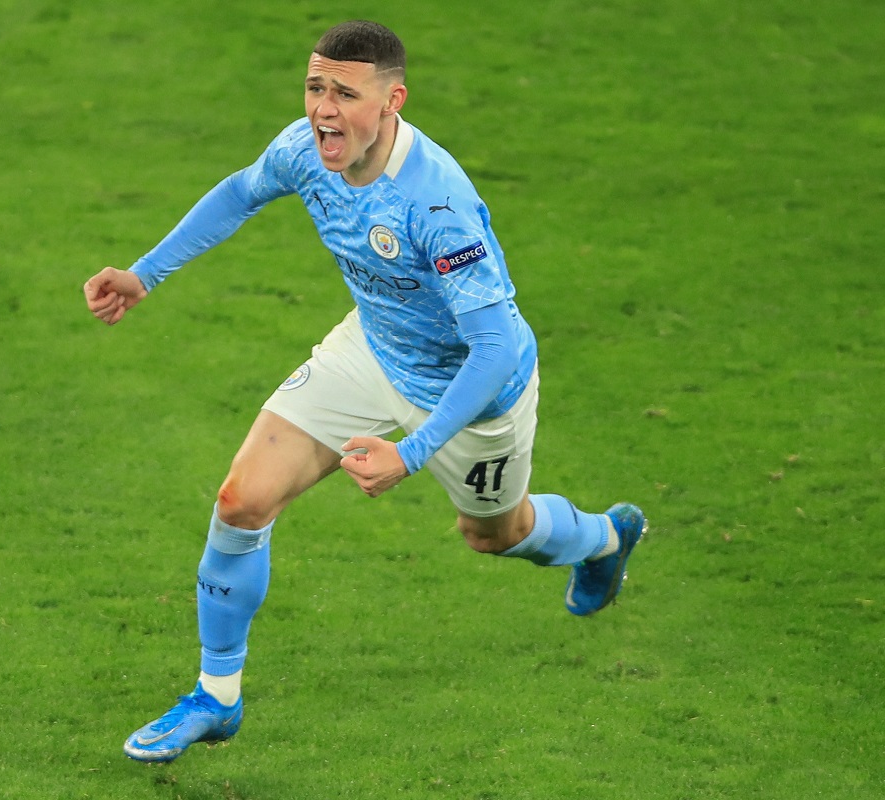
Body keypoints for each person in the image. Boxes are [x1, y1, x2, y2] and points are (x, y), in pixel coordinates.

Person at [84, 20, 646, 764]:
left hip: (473, 392)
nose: (323, 108)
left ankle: (605, 537)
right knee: (240, 501)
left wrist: (410, 454)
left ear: (392, 101)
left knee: (494, 535)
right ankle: (216, 697)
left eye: (345, 93)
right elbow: (241, 192)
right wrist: (144, 273)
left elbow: (494, 346)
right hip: (372, 348)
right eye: (316, 87)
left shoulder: (437, 206)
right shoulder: (305, 152)